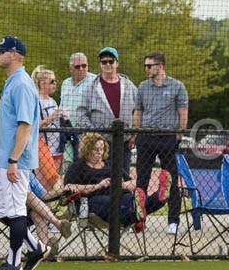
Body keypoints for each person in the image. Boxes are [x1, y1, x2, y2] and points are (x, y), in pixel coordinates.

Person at [0, 35, 47, 270]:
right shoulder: (12, 81)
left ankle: (14, 264)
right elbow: (7, 125)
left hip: (16, 160)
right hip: (4, 158)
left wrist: (13, 159)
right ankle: (35, 246)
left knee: (16, 209)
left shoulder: (21, 83)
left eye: (2, 51)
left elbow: (25, 126)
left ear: (16, 55)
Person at [133, 51, 188, 235]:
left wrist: (178, 136)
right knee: (141, 181)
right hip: (146, 138)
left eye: (149, 65)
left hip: (167, 138)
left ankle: (173, 221)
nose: (146, 69)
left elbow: (183, 112)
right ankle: (137, 219)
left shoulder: (177, 86)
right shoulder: (142, 87)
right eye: (145, 65)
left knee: (170, 179)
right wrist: (136, 134)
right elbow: (138, 112)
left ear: (160, 66)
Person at [62, 132, 162, 229]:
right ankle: (136, 213)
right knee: (115, 203)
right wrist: (98, 186)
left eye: (102, 149)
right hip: (95, 200)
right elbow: (68, 187)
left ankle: (160, 196)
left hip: (121, 196)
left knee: (133, 198)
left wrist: (120, 185)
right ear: (87, 150)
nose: (99, 152)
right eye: (96, 149)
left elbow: (135, 183)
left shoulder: (110, 165)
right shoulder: (78, 167)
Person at [77, 46, 138, 129]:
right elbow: (81, 114)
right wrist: (94, 136)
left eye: (111, 61)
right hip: (100, 140)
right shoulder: (90, 88)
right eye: (104, 62)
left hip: (127, 137)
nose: (107, 64)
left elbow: (138, 110)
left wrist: (134, 134)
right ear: (100, 65)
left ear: (117, 63)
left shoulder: (129, 86)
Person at [59, 52, 92, 161]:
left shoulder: (95, 81)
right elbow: (62, 105)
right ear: (71, 69)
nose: (81, 68)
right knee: (67, 164)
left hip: (86, 133)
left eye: (84, 65)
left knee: (83, 165)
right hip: (66, 132)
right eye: (78, 66)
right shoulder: (65, 83)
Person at [33, 66, 63, 170]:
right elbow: (33, 126)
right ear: (42, 83)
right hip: (43, 148)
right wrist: (50, 118)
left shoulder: (53, 101)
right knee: (43, 182)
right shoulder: (36, 101)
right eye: (52, 81)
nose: (55, 83)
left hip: (57, 147)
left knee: (54, 182)